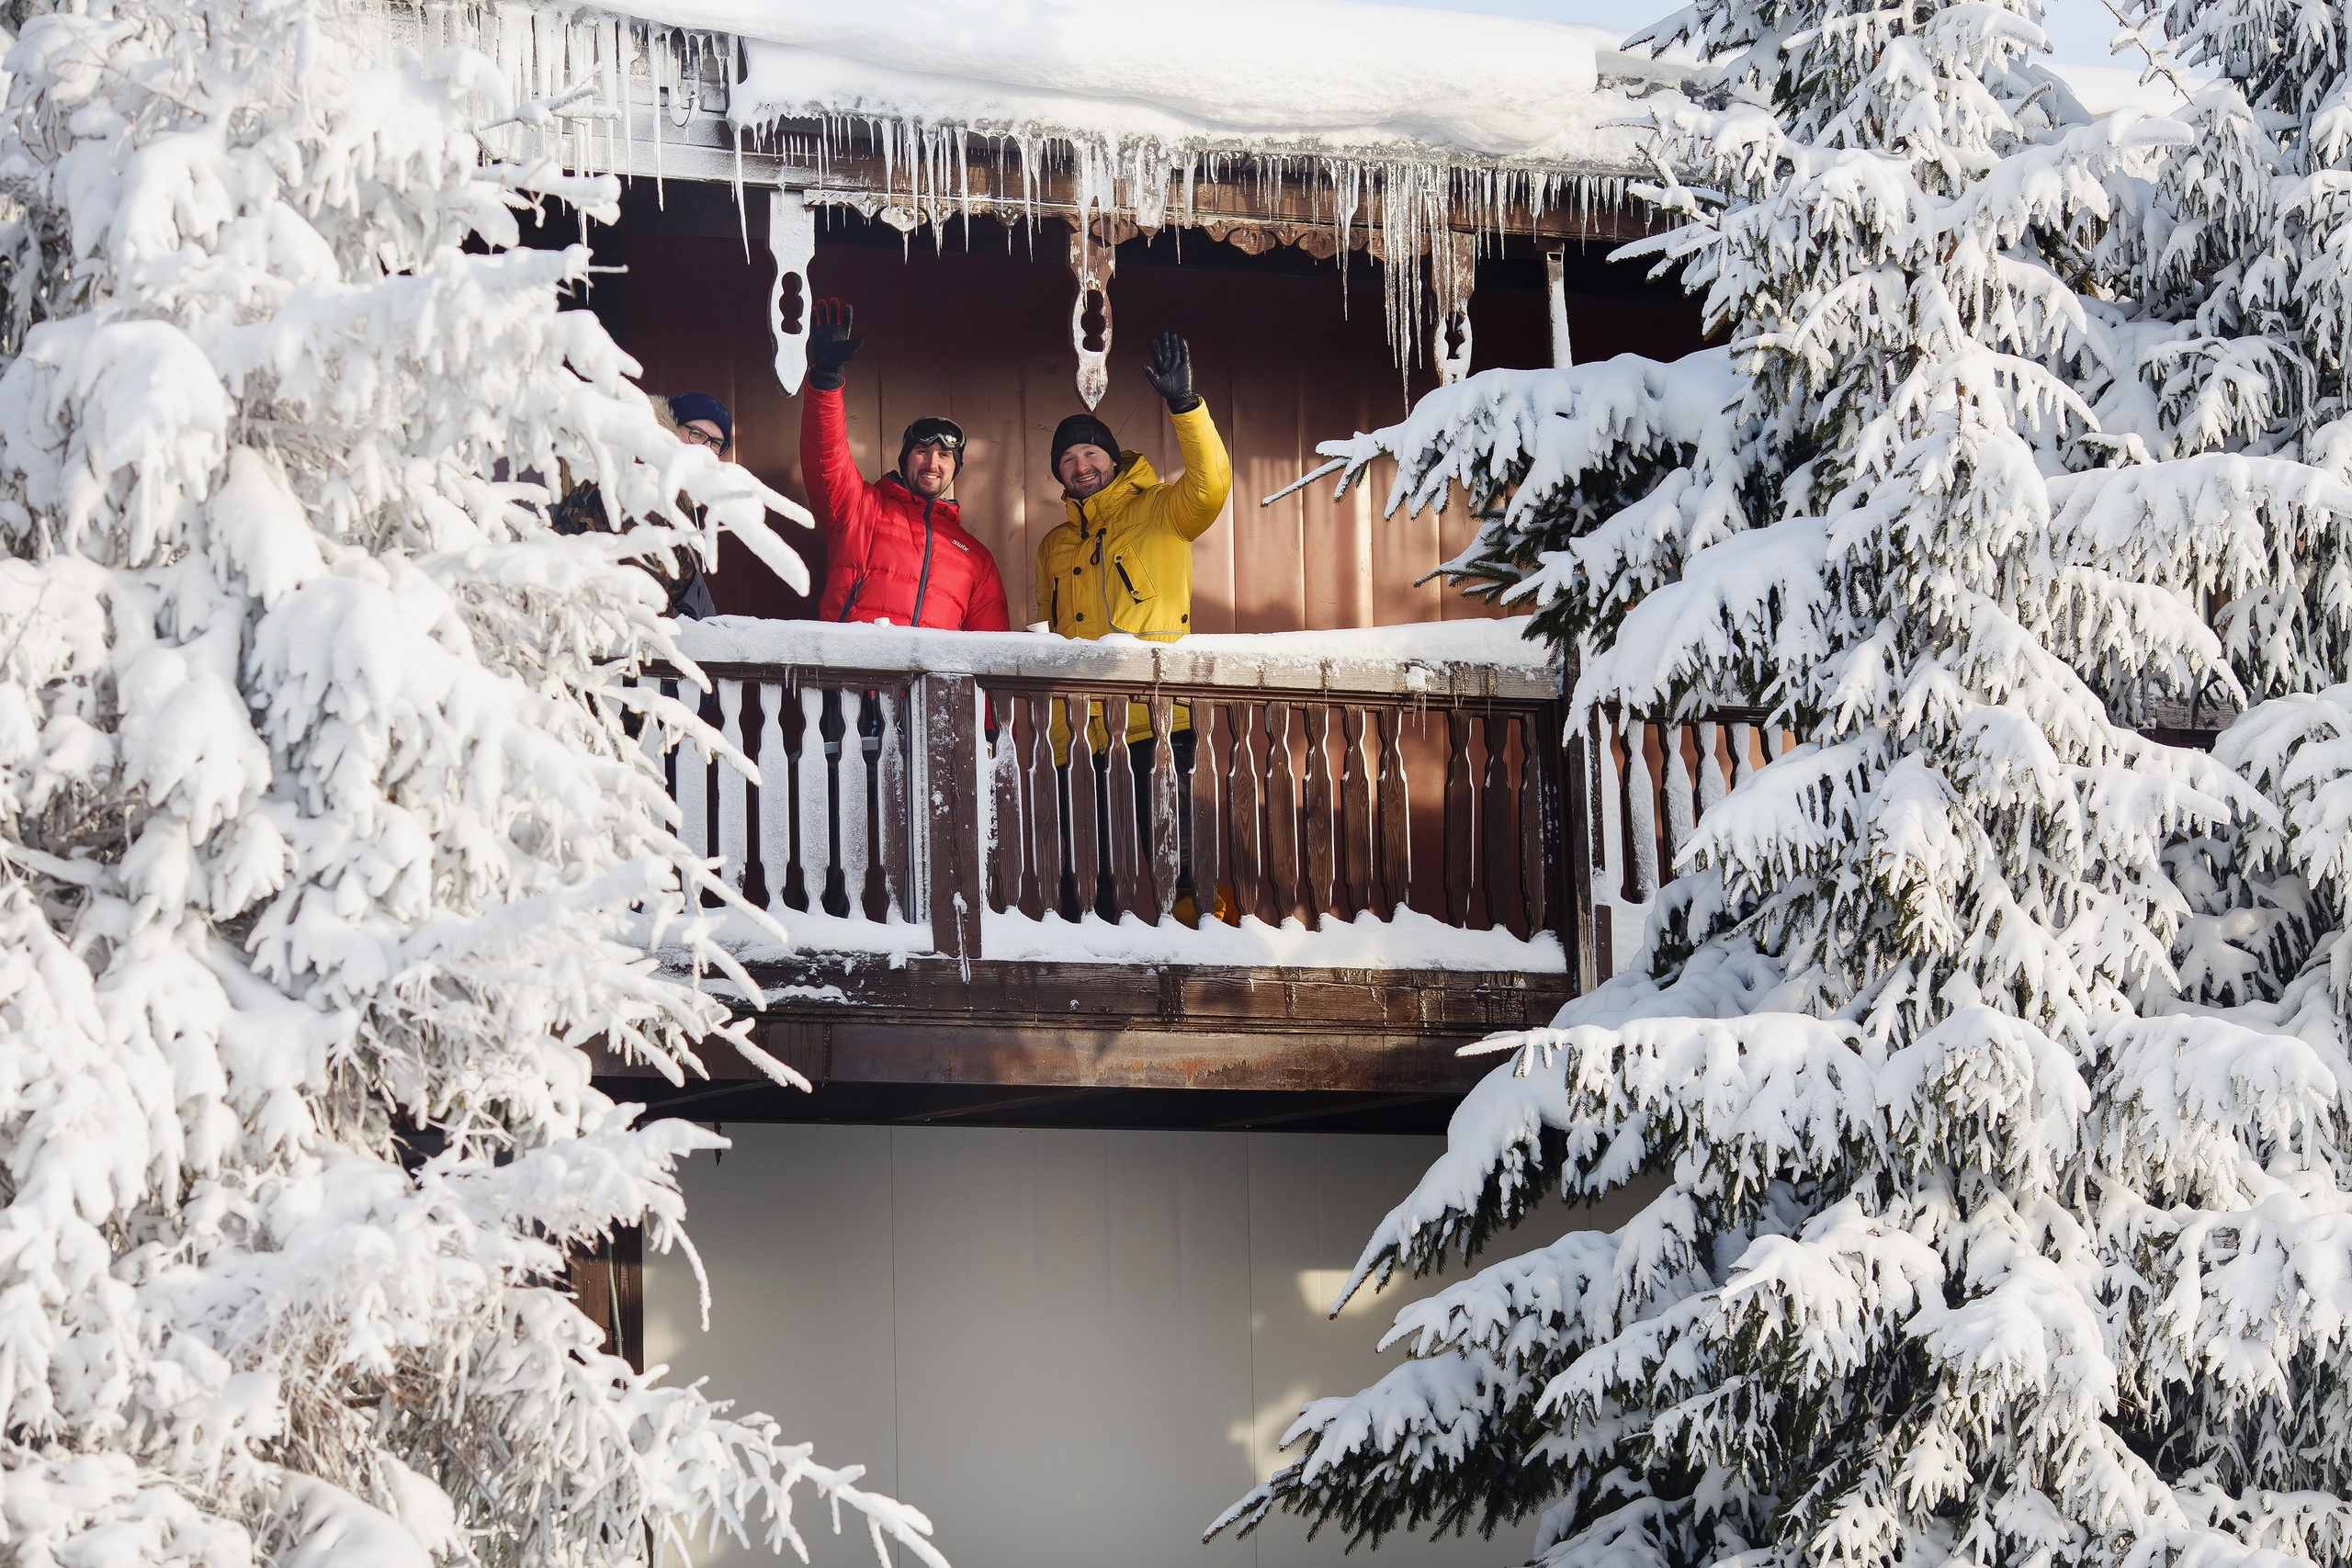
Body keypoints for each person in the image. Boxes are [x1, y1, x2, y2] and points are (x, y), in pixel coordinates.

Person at [1036, 333, 1233, 924]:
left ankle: (1209, 966)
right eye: (1068, 460)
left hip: (1157, 724)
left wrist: (1186, 407)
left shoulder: (1159, 510)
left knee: (1182, 863)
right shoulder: (1055, 545)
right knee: (1087, 872)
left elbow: (1211, 487)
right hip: (1079, 734)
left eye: (1090, 454)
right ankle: (1090, 973)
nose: (1081, 466)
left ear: (1112, 457)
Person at [799, 299, 1012, 631]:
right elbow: (825, 457)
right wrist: (826, 381)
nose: (932, 463)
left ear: (955, 469)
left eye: (945, 456)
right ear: (904, 459)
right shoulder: (860, 508)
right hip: (853, 678)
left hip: (933, 685)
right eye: (922, 451)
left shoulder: (976, 557)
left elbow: (990, 652)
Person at [549, 390, 721, 618]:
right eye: (696, 433)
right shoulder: (641, 480)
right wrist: (686, 637)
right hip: (588, 630)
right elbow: (641, 595)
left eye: (716, 442)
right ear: (668, 427)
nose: (705, 448)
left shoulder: (678, 493)